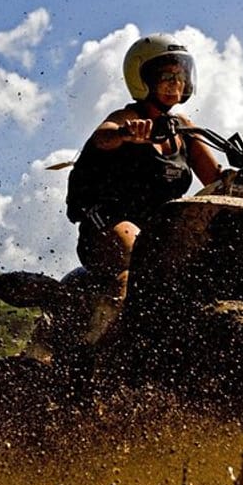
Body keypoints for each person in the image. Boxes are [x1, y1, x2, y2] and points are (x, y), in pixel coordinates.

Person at [66, 34, 223, 310]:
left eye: (181, 76)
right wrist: (128, 134)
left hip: (162, 231)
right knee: (136, 252)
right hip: (109, 223)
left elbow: (218, 180)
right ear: (143, 79)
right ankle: (105, 340)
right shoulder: (126, 118)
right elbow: (103, 136)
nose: (176, 83)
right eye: (167, 76)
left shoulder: (183, 127)